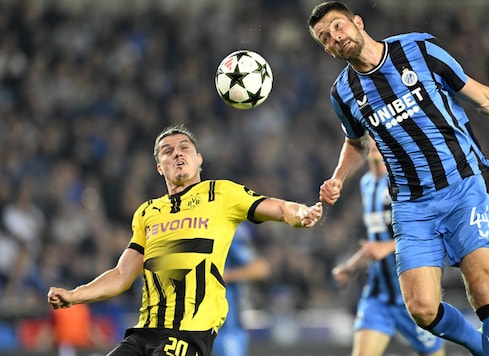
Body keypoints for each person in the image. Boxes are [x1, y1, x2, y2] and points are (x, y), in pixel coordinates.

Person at [307, 2, 489, 355]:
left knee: (481, 282)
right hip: (411, 203)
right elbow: (356, 143)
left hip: (461, 185)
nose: (334, 38)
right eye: (325, 38)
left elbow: (484, 99)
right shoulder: (343, 93)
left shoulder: (418, 50)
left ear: (357, 22)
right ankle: (484, 348)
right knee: (421, 308)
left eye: (338, 27)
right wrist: (338, 178)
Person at [47, 124, 323, 356]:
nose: (177, 154)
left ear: (199, 158)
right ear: (159, 167)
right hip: (144, 333)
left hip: (189, 332)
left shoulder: (221, 193)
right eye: (168, 151)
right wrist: (74, 295)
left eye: (184, 148)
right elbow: (122, 274)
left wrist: (302, 213)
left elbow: (278, 208)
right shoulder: (147, 212)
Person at [332, 141, 444, 356]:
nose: (372, 141)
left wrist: (389, 246)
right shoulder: (366, 184)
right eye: (367, 137)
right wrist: (352, 265)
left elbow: (429, 227)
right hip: (378, 296)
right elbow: (376, 239)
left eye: (376, 136)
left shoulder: (403, 179)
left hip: (412, 293)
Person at [213, 222, 271, 356]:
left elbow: (260, 269)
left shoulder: (226, 232)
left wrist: (220, 276)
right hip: (194, 322)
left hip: (227, 326)